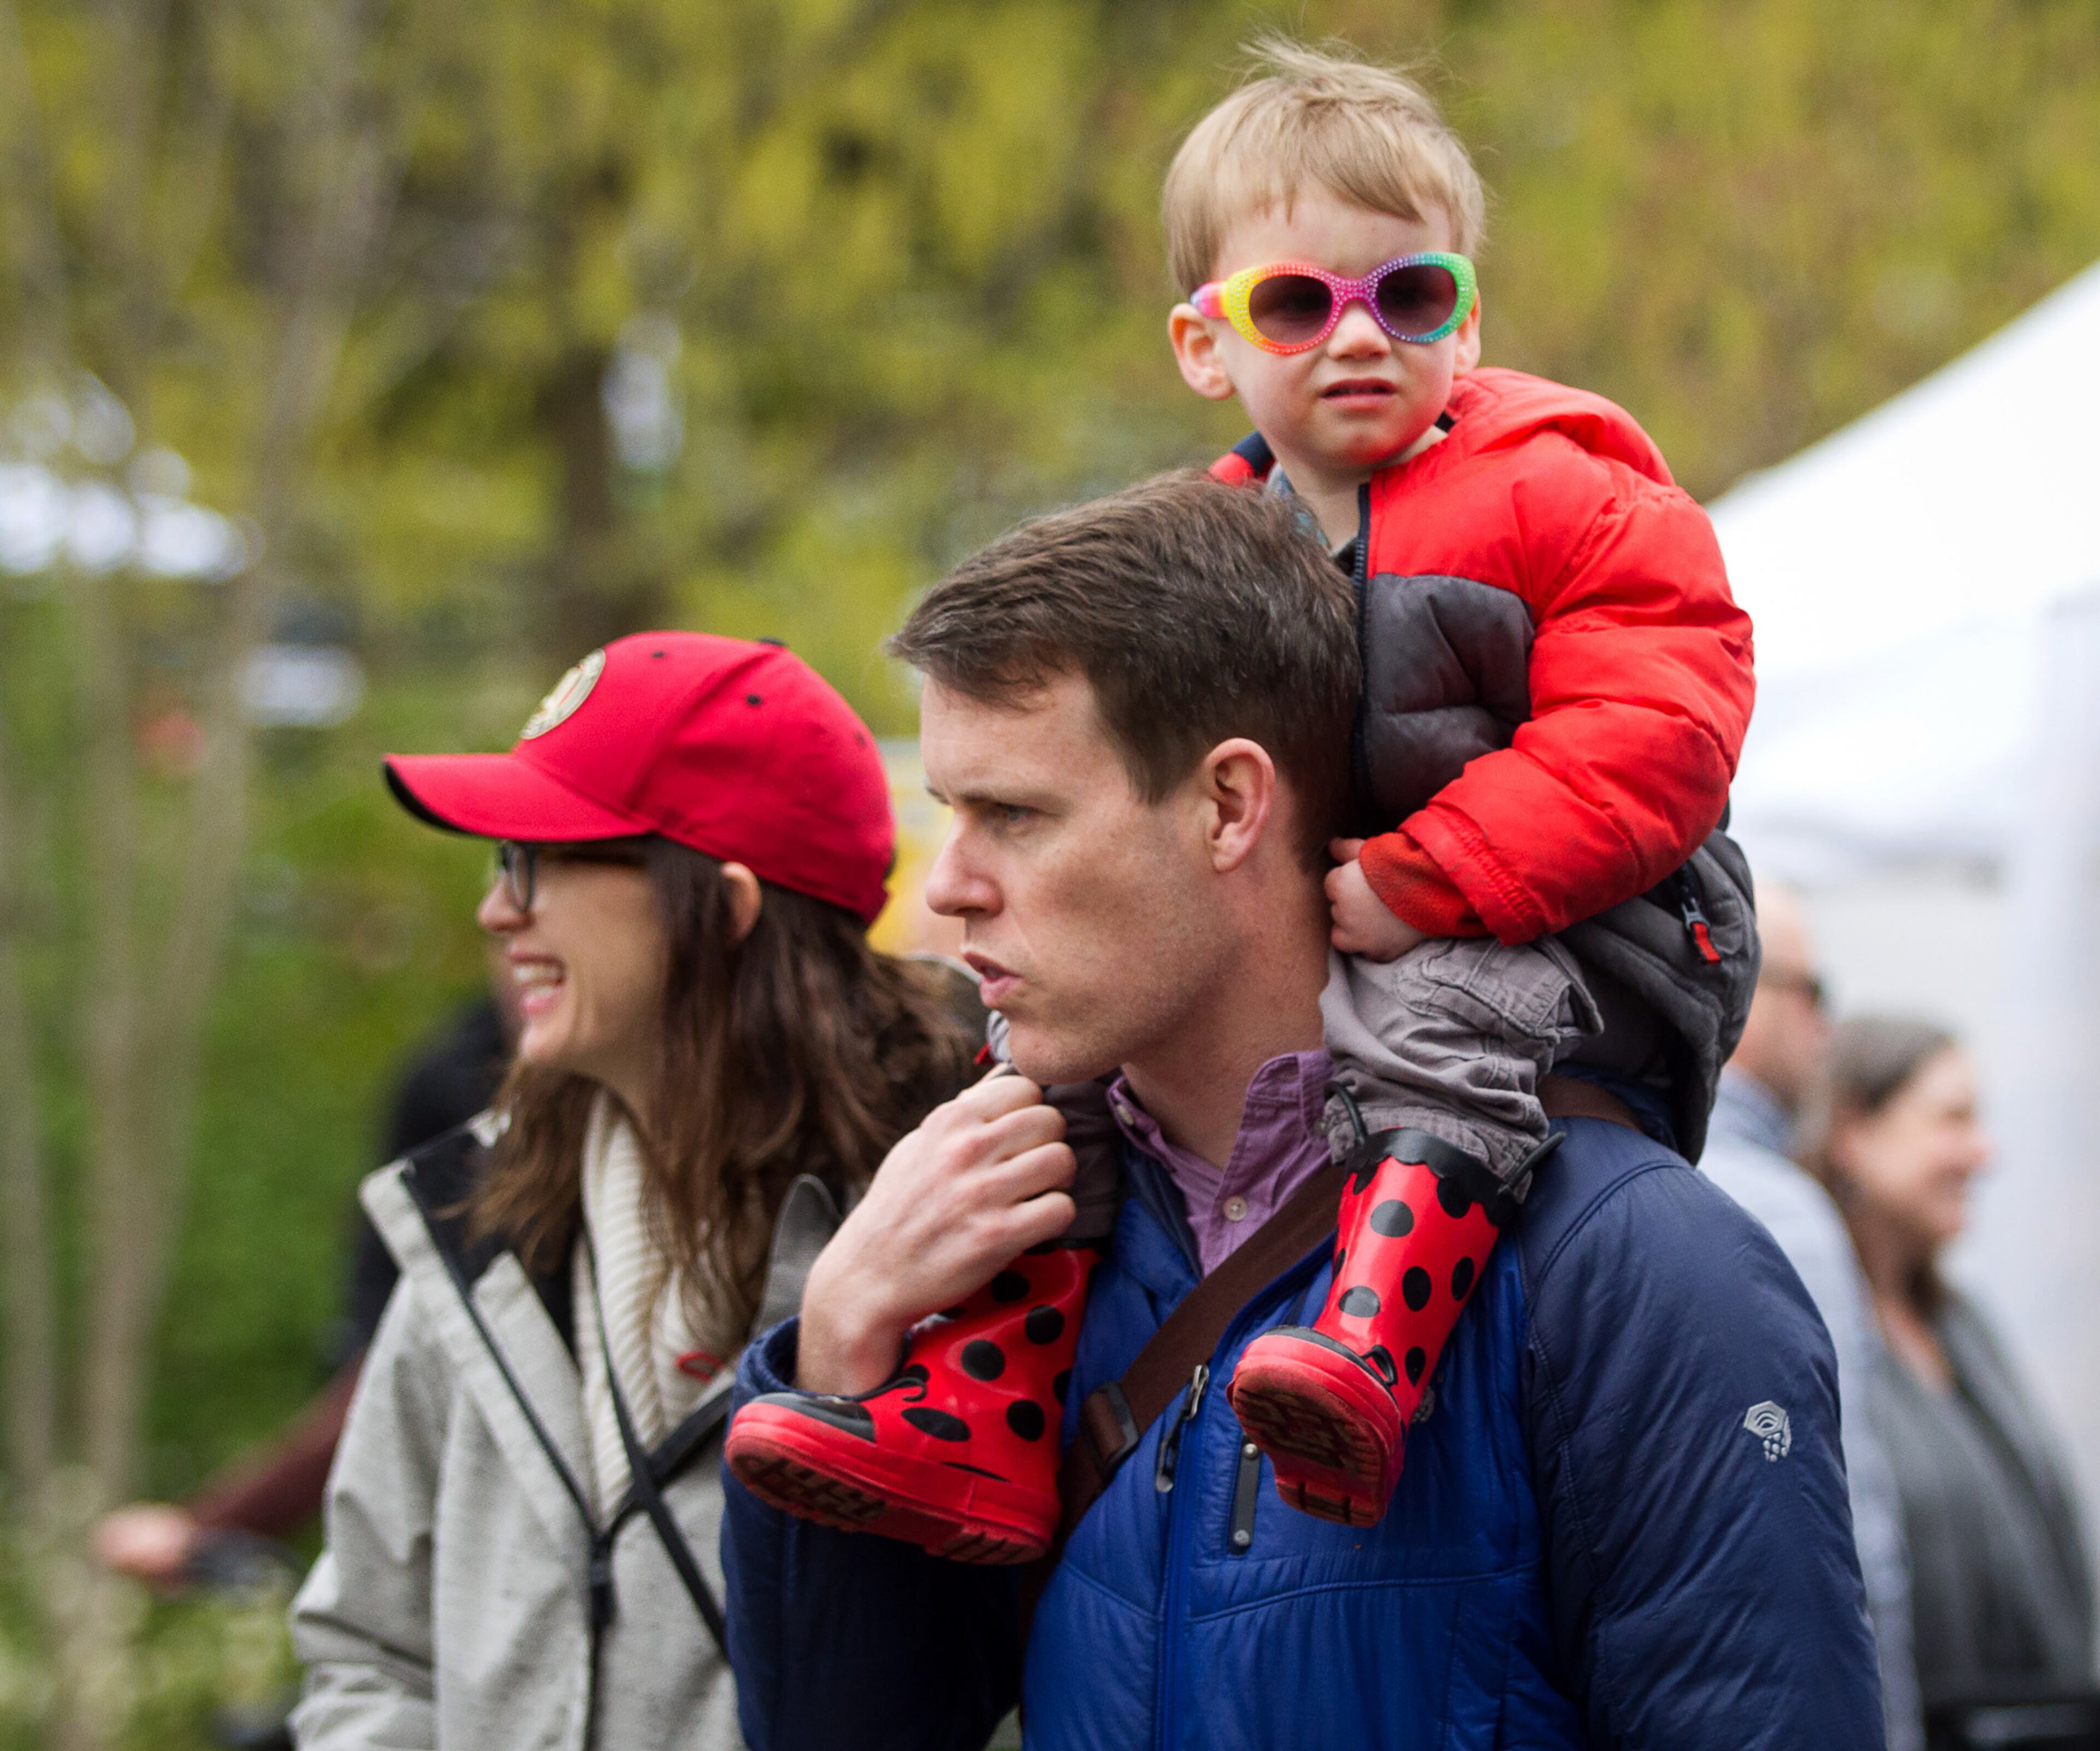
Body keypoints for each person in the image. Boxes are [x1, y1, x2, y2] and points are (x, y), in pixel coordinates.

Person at [727, 37, 1759, 1550]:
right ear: (1207, 344)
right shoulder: (1210, 544)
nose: (1359, 336)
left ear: (1467, 321)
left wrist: (1431, 876)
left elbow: (1662, 732)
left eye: (1411, 295)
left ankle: (1371, 1347)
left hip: (1570, 921)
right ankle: (986, 1403)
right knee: (1046, 1063)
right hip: (1357, 917)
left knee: (1446, 1007)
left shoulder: (1561, 487)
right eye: (1297, 302)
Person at [721, 474, 1882, 1748]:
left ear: (1228, 805)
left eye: (1013, 815)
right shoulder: (1014, 1250)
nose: (947, 891)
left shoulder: (1633, 1266)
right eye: (951, 812)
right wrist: (837, 1353)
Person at [288, 632, 977, 1750]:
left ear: (726, 904)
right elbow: (366, 1650)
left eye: (535, 857)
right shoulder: (474, 1226)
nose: (496, 911)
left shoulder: (961, 1237)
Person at [95, 979, 514, 1589]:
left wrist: (206, 1528)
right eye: (511, 879)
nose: (507, 916)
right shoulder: (446, 1078)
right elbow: (396, 1363)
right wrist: (211, 1528)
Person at [1812, 1017, 2096, 1726]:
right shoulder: (1819, 1338)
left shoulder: (1961, 1324)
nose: (1983, 1152)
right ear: (1855, 1131)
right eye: (1952, 1120)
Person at [1701, 882, 1921, 1750]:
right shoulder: (1780, 1210)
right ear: (1740, 986)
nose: (1829, 1031)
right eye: (1811, 993)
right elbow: (1850, 1531)